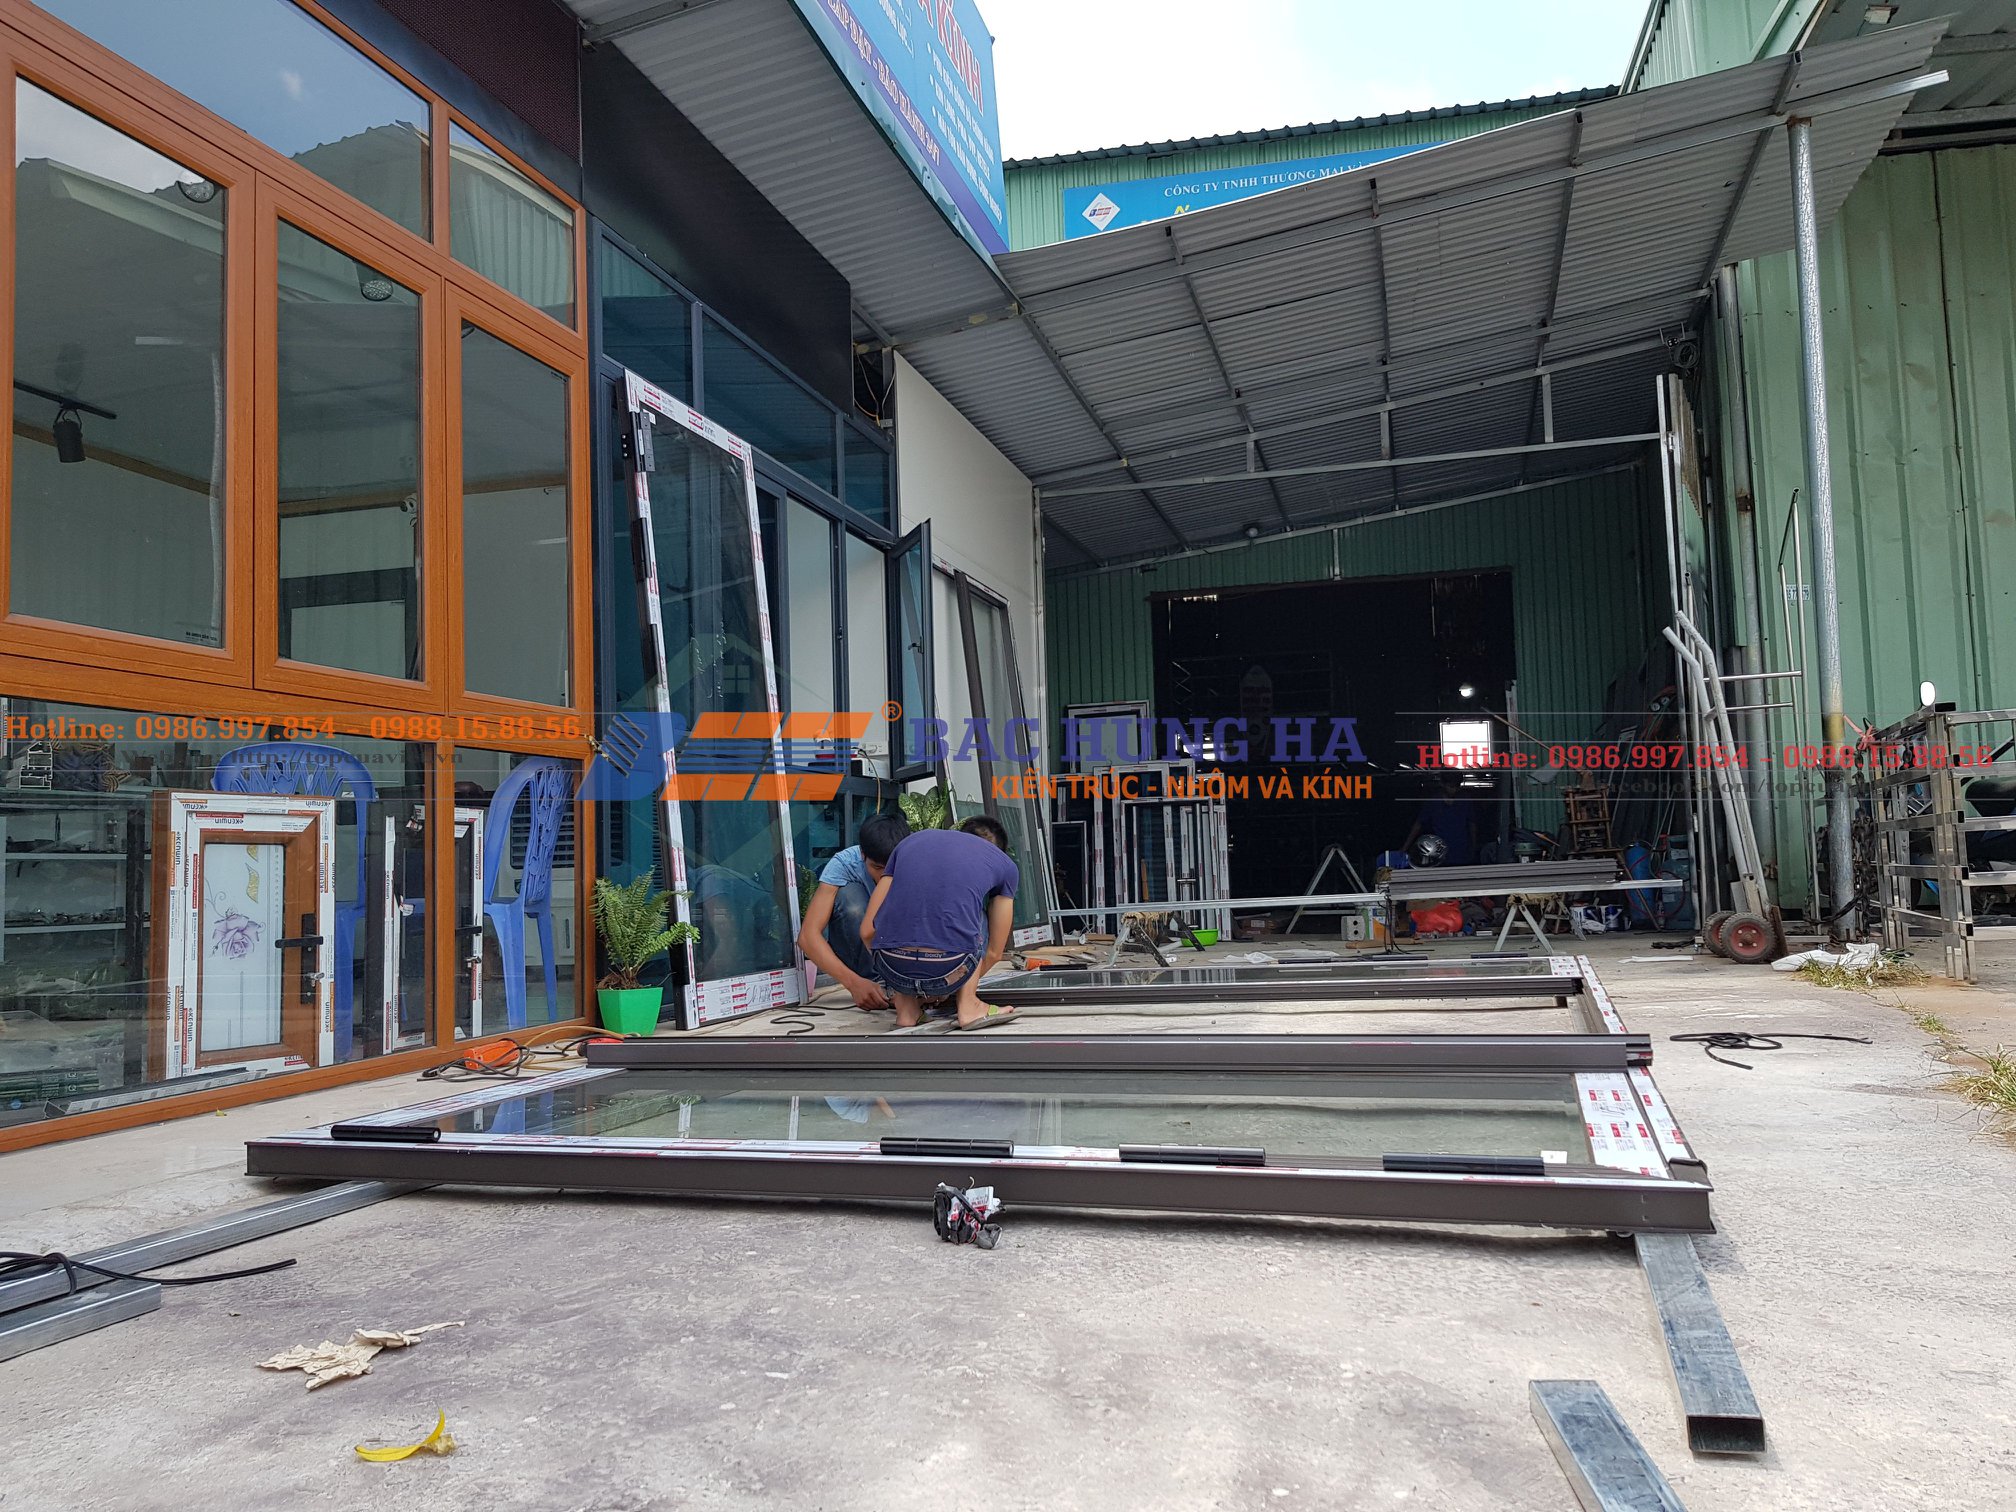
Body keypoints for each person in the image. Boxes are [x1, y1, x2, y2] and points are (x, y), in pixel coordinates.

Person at [862, 815, 1019, 1030]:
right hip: (951, 964)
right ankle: (969, 1006)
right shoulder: (1004, 864)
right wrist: (950, 983)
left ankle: (906, 1010)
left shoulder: (909, 844)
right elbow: (994, 952)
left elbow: (867, 931)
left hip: (891, 967)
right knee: (975, 914)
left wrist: (899, 981)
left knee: (907, 912)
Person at [796, 812, 910, 1010]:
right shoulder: (844, 864)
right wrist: (853, 983)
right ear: (863, 854)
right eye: (877, 867)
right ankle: (875, 985)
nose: (884, 876)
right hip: (862, 958)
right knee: (851, 901)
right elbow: (808, 937)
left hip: (901, 949)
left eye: (892, 868)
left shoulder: (917, 861)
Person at [1403, 772, 1478, 868]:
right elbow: (1418, 825)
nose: (1454, 790)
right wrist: (1405, 848)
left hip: (1461, 851)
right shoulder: (1433, 802)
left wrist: (1473, 847)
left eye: (1457, 786)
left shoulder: (1465, 800)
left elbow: (1472, 824)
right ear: (1442, 784)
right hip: (1437, 853)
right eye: (1451, 786)